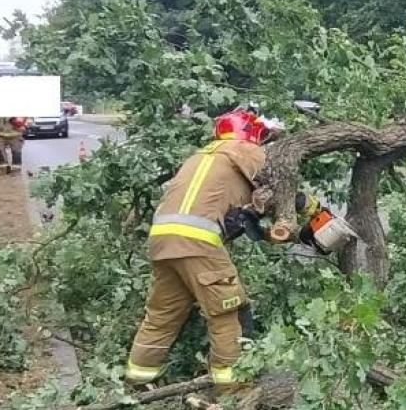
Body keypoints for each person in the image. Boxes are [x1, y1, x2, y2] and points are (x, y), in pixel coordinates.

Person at [122, 106, 320, 387]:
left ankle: (137, 384)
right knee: (228, 312)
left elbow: (239, 215)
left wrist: (269, 227)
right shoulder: (245, 151)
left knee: (161, 315)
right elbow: (278, 189)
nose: (264, 145)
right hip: (198, 242)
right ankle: (233, 391)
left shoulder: (201, 157)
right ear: (251, 135)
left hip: (163, 241)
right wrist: (312, 208)